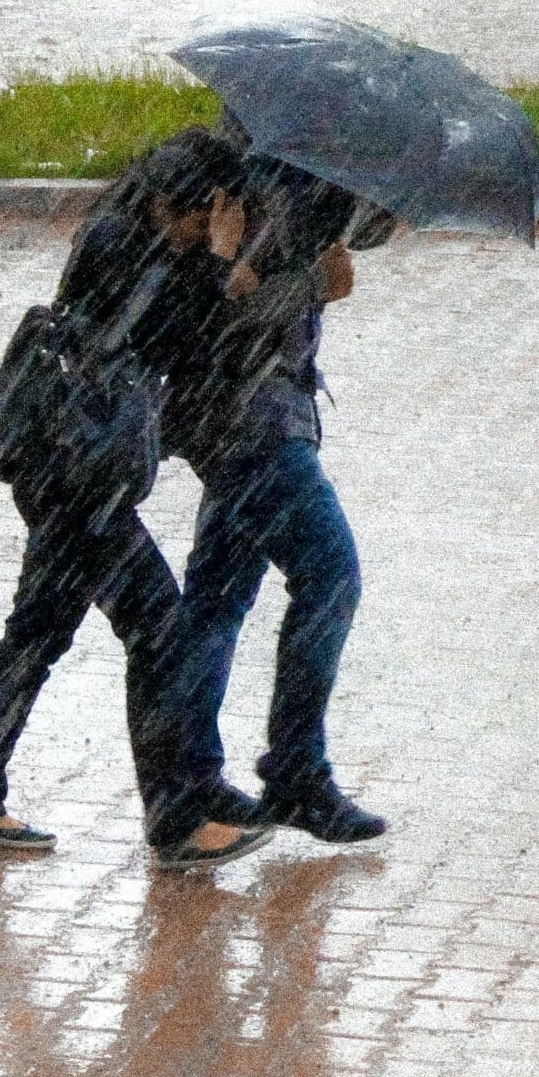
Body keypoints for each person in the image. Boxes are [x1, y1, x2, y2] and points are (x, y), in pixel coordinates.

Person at [0, 128, 273, 871]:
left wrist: (215, 269)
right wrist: (220, 269)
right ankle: (176, 820)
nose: (212, 229)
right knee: (159, 629)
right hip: (77, 481)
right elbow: (182, 343)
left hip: (59, 468)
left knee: (36, 631)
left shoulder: (125, 232)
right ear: (194, 203)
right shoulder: (131, 247)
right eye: (212, 215)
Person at [162, 145, 397, 845]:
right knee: (329, 575)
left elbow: (353, 234)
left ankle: (190, 775)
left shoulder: (299, 171)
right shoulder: (249, 183)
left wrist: (382, 202)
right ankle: (294, 770)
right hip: (249, 425)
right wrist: (312, 287)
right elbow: (219, 319)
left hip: (246, 417)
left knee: (217, 595)